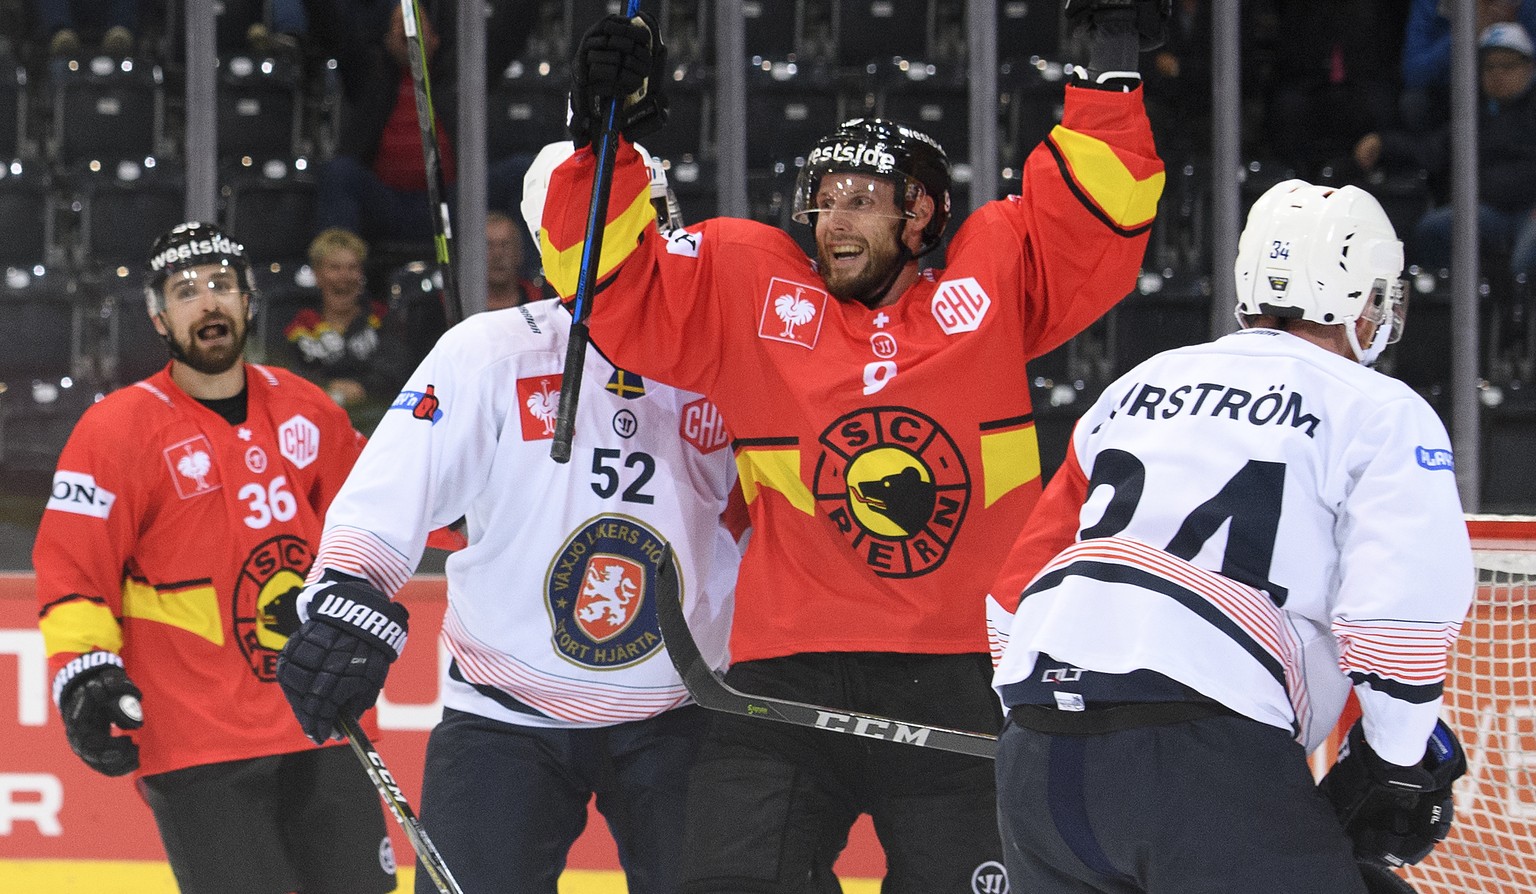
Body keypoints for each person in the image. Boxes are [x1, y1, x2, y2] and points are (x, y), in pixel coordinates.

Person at [536, 2, 1166, 888]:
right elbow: (607, 286)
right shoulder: (750, 291)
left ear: (922, 216)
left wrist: (1109, 70)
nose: (833, 218)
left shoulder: (990, 281)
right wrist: (600, 142)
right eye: (825, 199)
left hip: (966, 678)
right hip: (783, 679)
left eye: (861, 199)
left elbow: (1097, 232)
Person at [272, 143, 745, 894]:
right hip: (505, 707)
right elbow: (392, 490)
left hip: (685, 705)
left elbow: (774, 513)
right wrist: (344, 597)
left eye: (653, 214)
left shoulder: (725, 357)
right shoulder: (490, 352)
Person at [986, 180, 1472, 892]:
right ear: (1357, 294)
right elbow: (1398, 621)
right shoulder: (1379, 410)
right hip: (1201, 753)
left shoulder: (1136, 386)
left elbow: (1010, 597)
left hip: (1035, 758)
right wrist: (1397, 763)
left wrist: (1062, 720)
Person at [33, 222, 395, 894]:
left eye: (223, 286)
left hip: (320, 719)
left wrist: (475, 508)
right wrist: (84, 671)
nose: (209, 303)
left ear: (250, 301)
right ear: (158, 315)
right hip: (197, 740)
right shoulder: (116, 430)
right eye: (187, 290)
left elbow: (382, 516)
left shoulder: (305, 408)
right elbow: (73, 571)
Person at [280, 226, 411, 413]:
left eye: (352, 267)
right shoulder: (300, 326)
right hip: (317, 417)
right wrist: (327, 389)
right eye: (334, 268)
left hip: (375, 417)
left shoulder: (381, 317)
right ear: (317, 274)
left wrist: (362, 388)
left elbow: (397, 371)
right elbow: (287, 376)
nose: (344, 277)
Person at [1399, 0, 1536, 132]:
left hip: (1522, 98)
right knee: (1415, 102)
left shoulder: (1527, 5)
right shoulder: (1431, 4)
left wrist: (1515, 32)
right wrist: (1467, 32)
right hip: (1452, 93)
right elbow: (1415, 73)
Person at [484, 209, 543, 310]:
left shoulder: (542, 302)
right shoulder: (454, 307)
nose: (497, 255)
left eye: (505, 245)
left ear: (519, 252)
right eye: (489, 245)